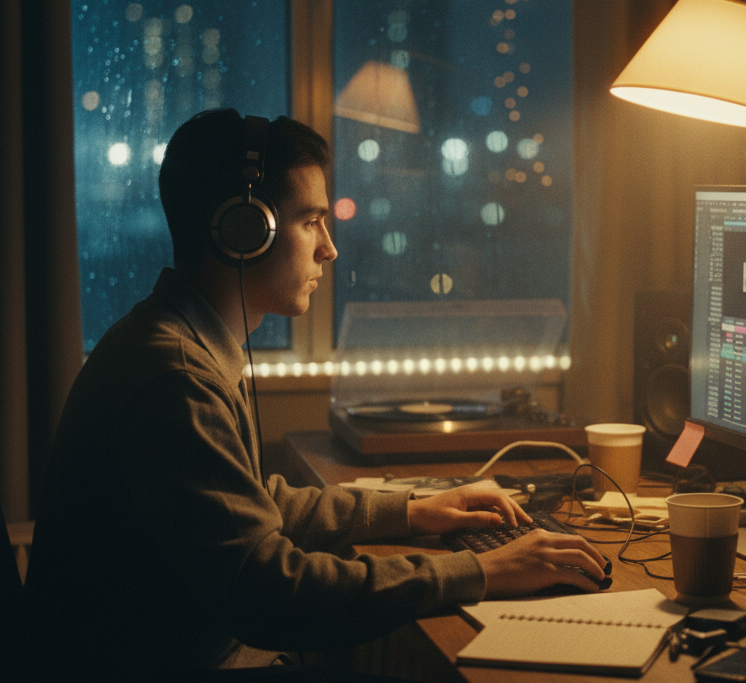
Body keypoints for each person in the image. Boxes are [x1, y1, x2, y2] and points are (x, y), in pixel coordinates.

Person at [25, 109, 606, 674]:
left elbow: (249, 504)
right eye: (310, 221)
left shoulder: (177, 341)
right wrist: (482, 569)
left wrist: (415, 510)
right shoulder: (175, 380)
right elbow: (270, 592)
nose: (328, 248)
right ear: (244, 231)